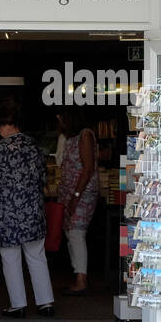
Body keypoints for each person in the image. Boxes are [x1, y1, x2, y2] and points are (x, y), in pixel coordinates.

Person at [0, 100, 55, 318]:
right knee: (37, 256)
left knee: (10, 258)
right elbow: (43, 177)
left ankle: (18, 305)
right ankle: (46, 303)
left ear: (1, 125)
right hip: (32, 211)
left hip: (6, 213)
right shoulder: (33, 146)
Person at [56, 107, 99, 294]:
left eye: (62, 118)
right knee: (70, 233)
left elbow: (87, 168)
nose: (59, 122)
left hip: (81, 193)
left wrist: (75, 196)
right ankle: (78, 276)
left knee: (76, 233)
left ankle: (81, 279)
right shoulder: (70, 137)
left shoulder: (85, 135)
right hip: (70, 193)